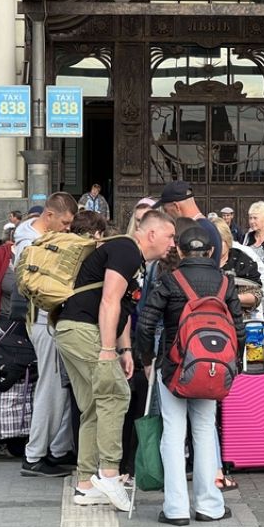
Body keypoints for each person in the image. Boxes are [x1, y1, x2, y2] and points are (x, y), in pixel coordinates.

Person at [56, 209, 175, 511]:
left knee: (94, 407)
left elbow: (121, 307)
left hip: (72, 330)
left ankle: (85, 486)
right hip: (85, 330)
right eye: (170, 236)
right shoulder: (127, 250)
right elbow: (109, 300)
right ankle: (109, 474)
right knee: (115, 394)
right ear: (151, 234)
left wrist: (124, 351)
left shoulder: (133, 257)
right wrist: (108, 349)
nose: (173, 243)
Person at [136, 224, 244, 526]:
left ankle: (176, 509)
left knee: (173, 432)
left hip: (173, 367)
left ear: (180, 251)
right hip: (213, 368)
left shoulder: (170, 280)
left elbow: (145, 324)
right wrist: (230, 365)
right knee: (205, 430)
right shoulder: (225, 282)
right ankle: (209, 505)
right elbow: (238, 330)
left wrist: (147, 358)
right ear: (211, 252)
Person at [13, 191, 79, 478]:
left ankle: (57, 450)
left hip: (51, 320)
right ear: (49, 215)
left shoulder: (39, 239)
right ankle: (35, 455)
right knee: (50, 389)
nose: (67, 229)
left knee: (61, 387)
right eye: (64, 223)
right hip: (43, 320)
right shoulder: (29, 245)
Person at [155, 180, 222, 262]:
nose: (166, 214)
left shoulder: (196, 230)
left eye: (166, 210)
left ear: (176, 206)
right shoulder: (208, 226)